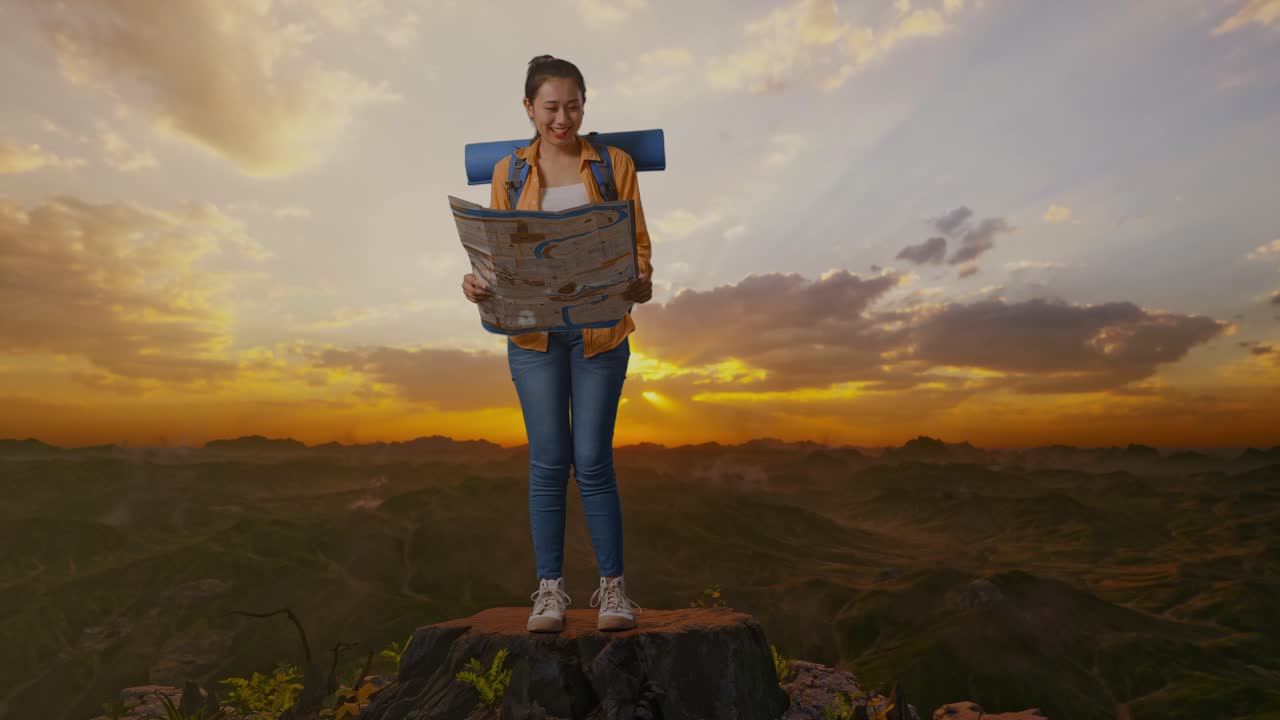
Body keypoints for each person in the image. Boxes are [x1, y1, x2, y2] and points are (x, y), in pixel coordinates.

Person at [460, 54, 654, 633]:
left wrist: (638, 280)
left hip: (600, 332)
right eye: (551, 107)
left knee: (593, 460)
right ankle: (549, 591)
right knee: (548, 463)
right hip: (533, 335)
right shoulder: (510, 173)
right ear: (529, 108)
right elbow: (496, 255)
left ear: (584, 106)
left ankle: (613, 591)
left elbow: (638, 243)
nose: (563, 118)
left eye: (573, 106)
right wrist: (478, 283)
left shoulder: (612, 164)